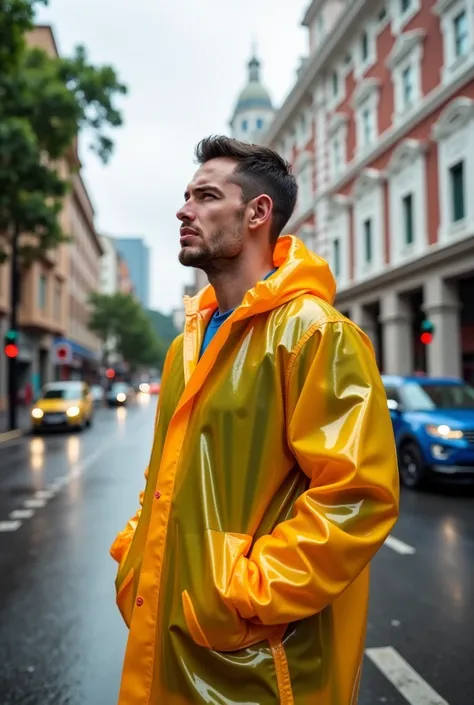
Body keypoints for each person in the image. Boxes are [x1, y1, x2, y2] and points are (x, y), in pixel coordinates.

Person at [111, 136, 399, 705]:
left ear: (257, 213)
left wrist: (244, 593)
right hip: (166, 644)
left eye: (205, 196)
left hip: (260, 671)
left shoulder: (315, 333)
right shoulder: (183, 348)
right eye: (186, 195)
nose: (183, 209)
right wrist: (134, 557)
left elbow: (358, 497)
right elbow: (163, 480)